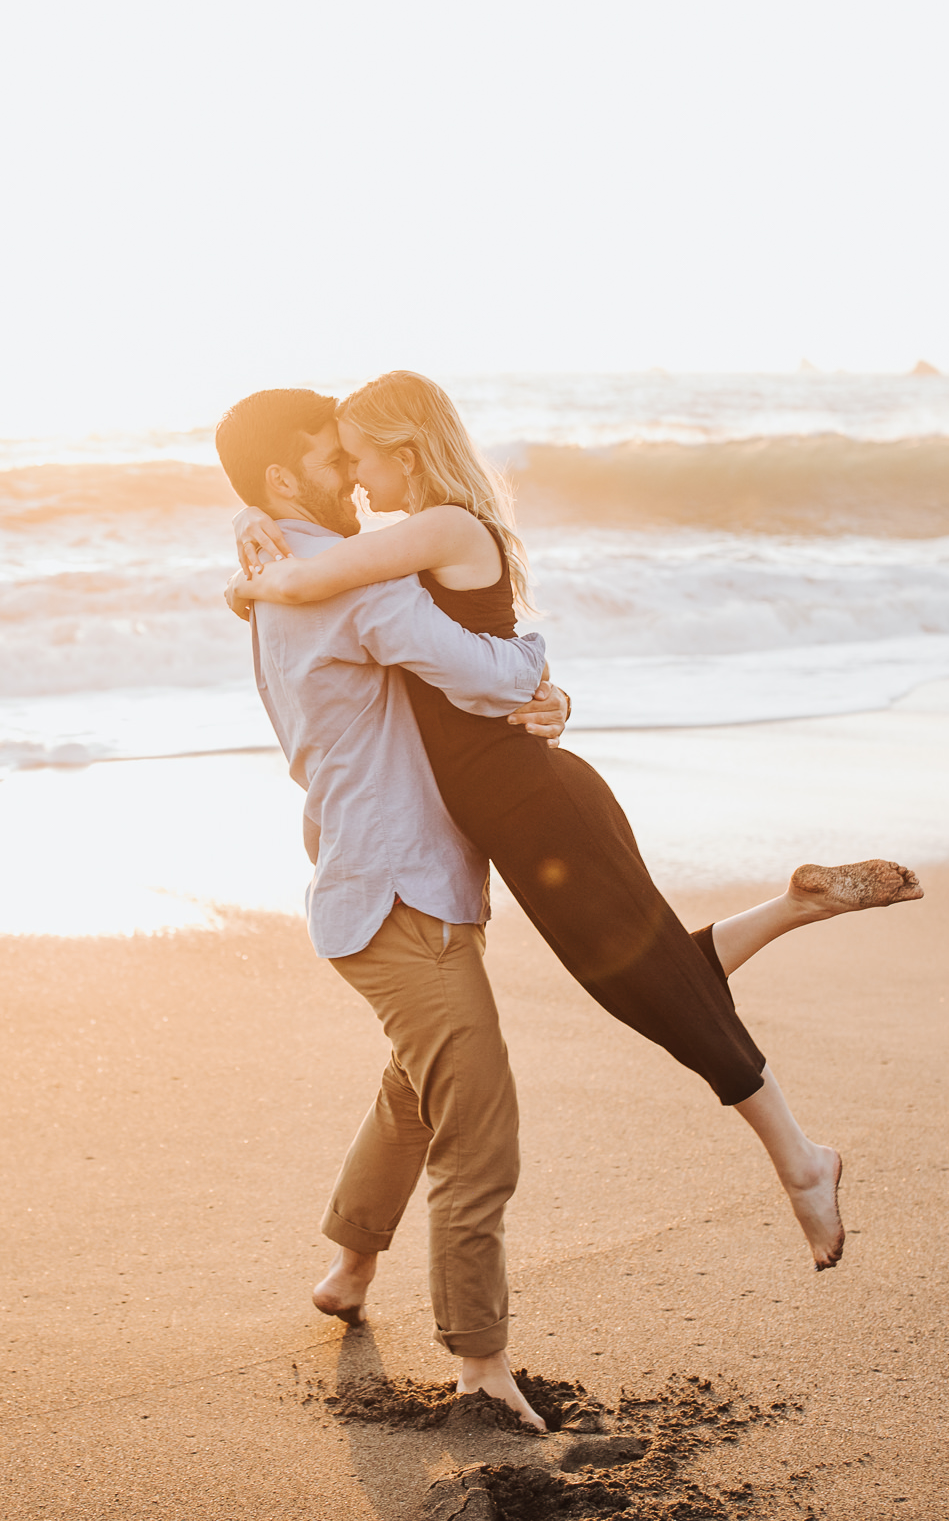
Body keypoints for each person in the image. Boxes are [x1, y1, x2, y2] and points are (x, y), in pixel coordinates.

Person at [226, 370, 922, 1276]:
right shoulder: (410, 540)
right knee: (640, 980)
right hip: (516, 798)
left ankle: (801, 1161)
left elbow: (329, 582)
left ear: (404, 449)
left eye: (360, 455)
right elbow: (337, 583)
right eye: (338, 459)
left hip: (529, 801)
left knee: (650, 993)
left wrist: (254, 577)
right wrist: (251, 555)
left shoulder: (429, 531)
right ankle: (793, 907)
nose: (354, 476)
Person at [213, 387, 572, 1431]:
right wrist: (540, 677)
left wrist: (530, 693)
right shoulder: (352, 590)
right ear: (283, 480)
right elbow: (481, 669)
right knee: (479, 1117)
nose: (356, 475)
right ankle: (481, 1359)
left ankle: (347, 1263)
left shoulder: (274, 560)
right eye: (334, 457)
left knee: (419, 1091)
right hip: (397, 889)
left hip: (372, 878)